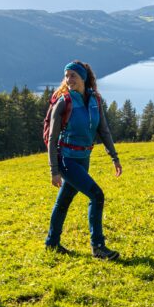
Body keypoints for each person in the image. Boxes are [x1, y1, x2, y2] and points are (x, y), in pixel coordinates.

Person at [45, 60, 123, 259]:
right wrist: (54, 170)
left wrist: (114, 157)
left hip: (83, 159)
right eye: (66, 75)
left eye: (73, 75)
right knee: (97, 195)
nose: (69, 79)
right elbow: (52, 139)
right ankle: (98, 247)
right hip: (66, 159)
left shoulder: (95, 100)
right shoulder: (64, 101)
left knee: (64, 201)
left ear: (83, 78)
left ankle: (52, 243)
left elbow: (103, 130)